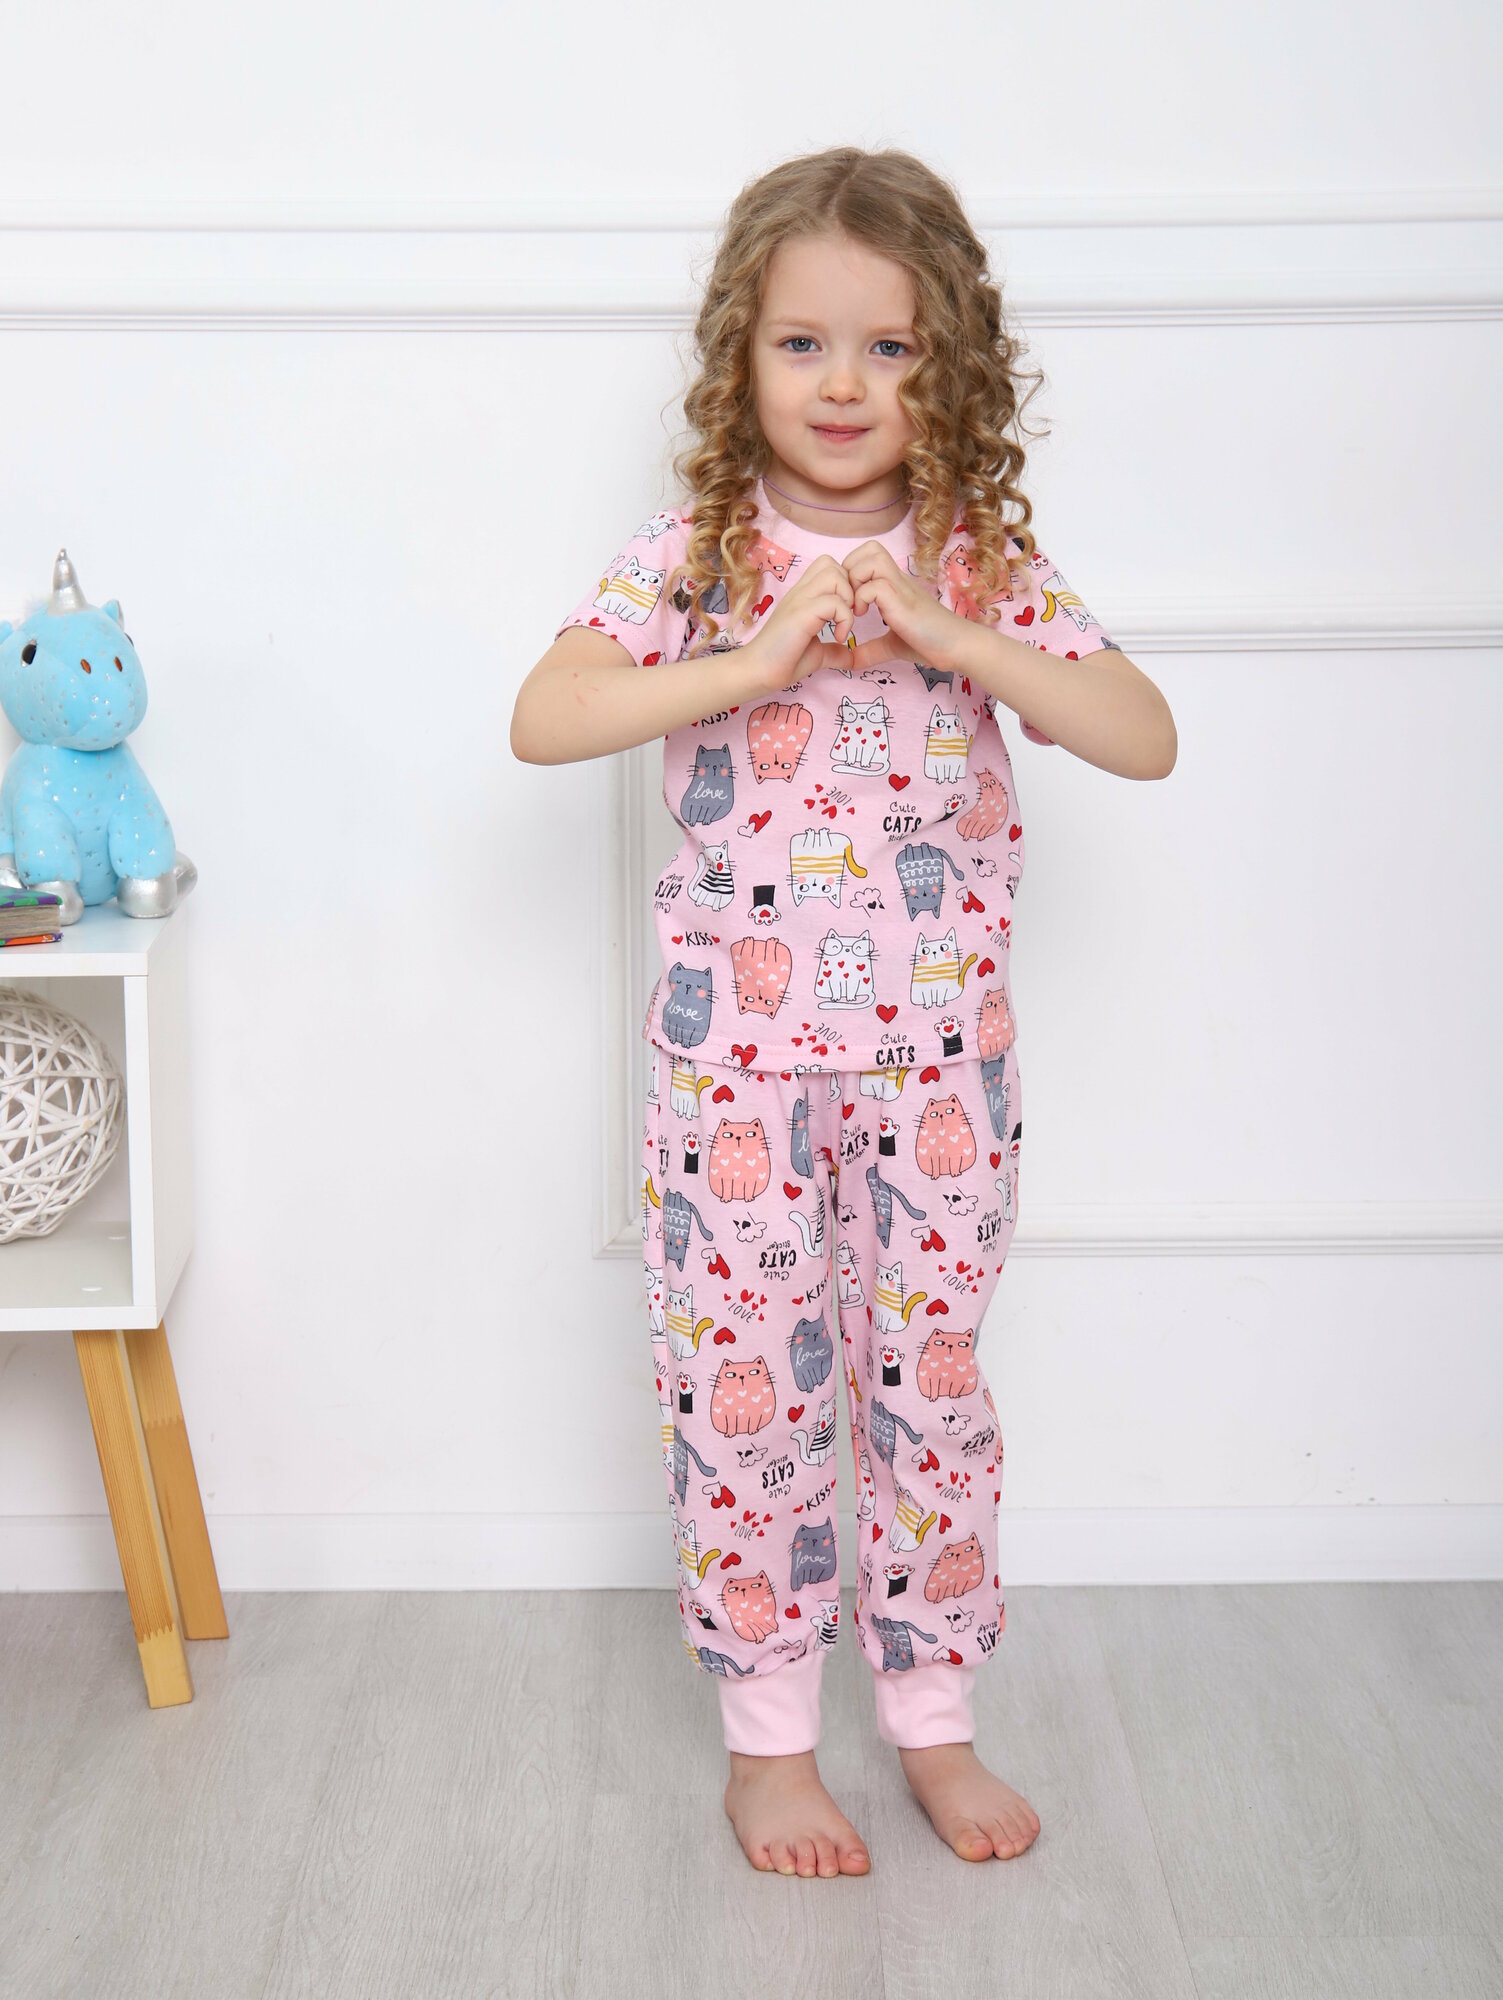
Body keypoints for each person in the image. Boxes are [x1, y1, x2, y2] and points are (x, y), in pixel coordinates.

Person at [510, 145, 1177, 1881]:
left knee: (930, 1392)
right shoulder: (699, 555)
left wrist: (960, 639)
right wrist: (747, 664)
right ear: (741, 355)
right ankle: (770, 1747)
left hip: (940, 1071)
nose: (843, 384)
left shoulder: (981, 561)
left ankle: (936, 1720)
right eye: (803, 343)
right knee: (747, 1399)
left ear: (951, 365)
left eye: (889, 348)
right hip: (733, 1080)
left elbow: (1142, 733)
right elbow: (545, 715)